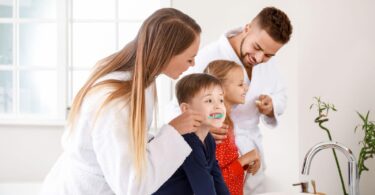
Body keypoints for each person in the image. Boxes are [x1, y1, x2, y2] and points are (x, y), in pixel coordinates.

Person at [39, 8, 203, 195]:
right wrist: (172, 132)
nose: (193, 65)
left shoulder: (142, 81)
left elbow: (128, 139)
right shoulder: (116, 102)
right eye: (190, 58)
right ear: (166, 53)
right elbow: (131, 186)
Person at [166, 6, 293, 194]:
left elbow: (281, 94)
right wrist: (205, 126)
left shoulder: (267, 61)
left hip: (250, 150)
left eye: (268, 55)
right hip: (220, 145)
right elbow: (180, 105)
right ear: (247, 28)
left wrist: (271, 104)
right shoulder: (207, 57)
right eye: (257, 48)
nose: (259, 58)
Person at [154, 73, 229, 195]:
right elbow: (204, 188)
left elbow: (216, 178)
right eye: (209, 100)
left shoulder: (208, 139)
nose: (218, 106)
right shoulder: (188, 142)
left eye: (221, 100)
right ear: (186, 109)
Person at [204, 60, 260, 195]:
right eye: (241, 84)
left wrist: (249, 162)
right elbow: (216, 179)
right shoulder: (217, 127)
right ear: (221, 90)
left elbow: (225, 165)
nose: (246, 88)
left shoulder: (227, 122)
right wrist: (247, 158)